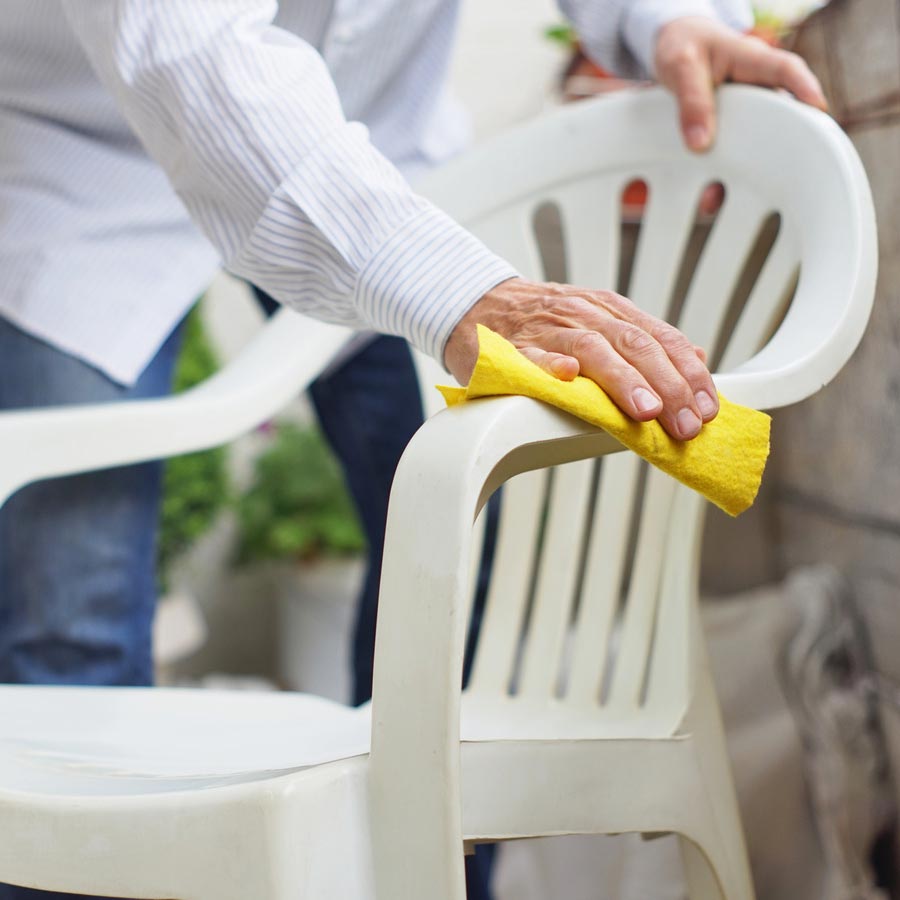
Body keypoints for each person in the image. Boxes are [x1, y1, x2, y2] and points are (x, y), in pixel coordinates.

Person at [0, 3, 826, 898]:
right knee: (69, 621)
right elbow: (187, 49)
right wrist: (457, 291)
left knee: (458, 562)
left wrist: (662, 16)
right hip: (85, 153)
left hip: (375, 144)